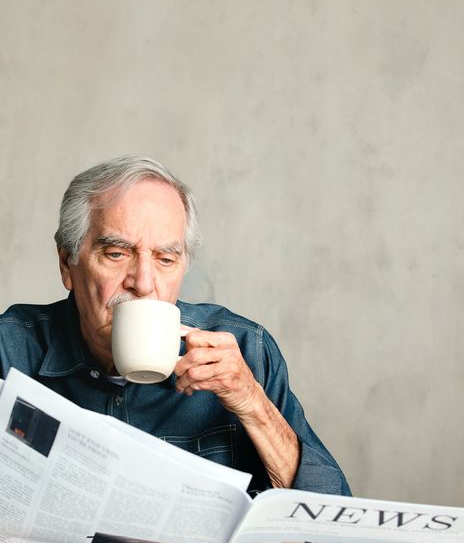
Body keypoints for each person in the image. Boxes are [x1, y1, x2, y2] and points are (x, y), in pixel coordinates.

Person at [0, 156, 350, 496]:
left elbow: (331, 517)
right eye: (117, 254)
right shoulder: (10, 349)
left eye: (166, 259)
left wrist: (250, 401)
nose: (144, 283)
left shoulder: (245, 351)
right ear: (67, 264)